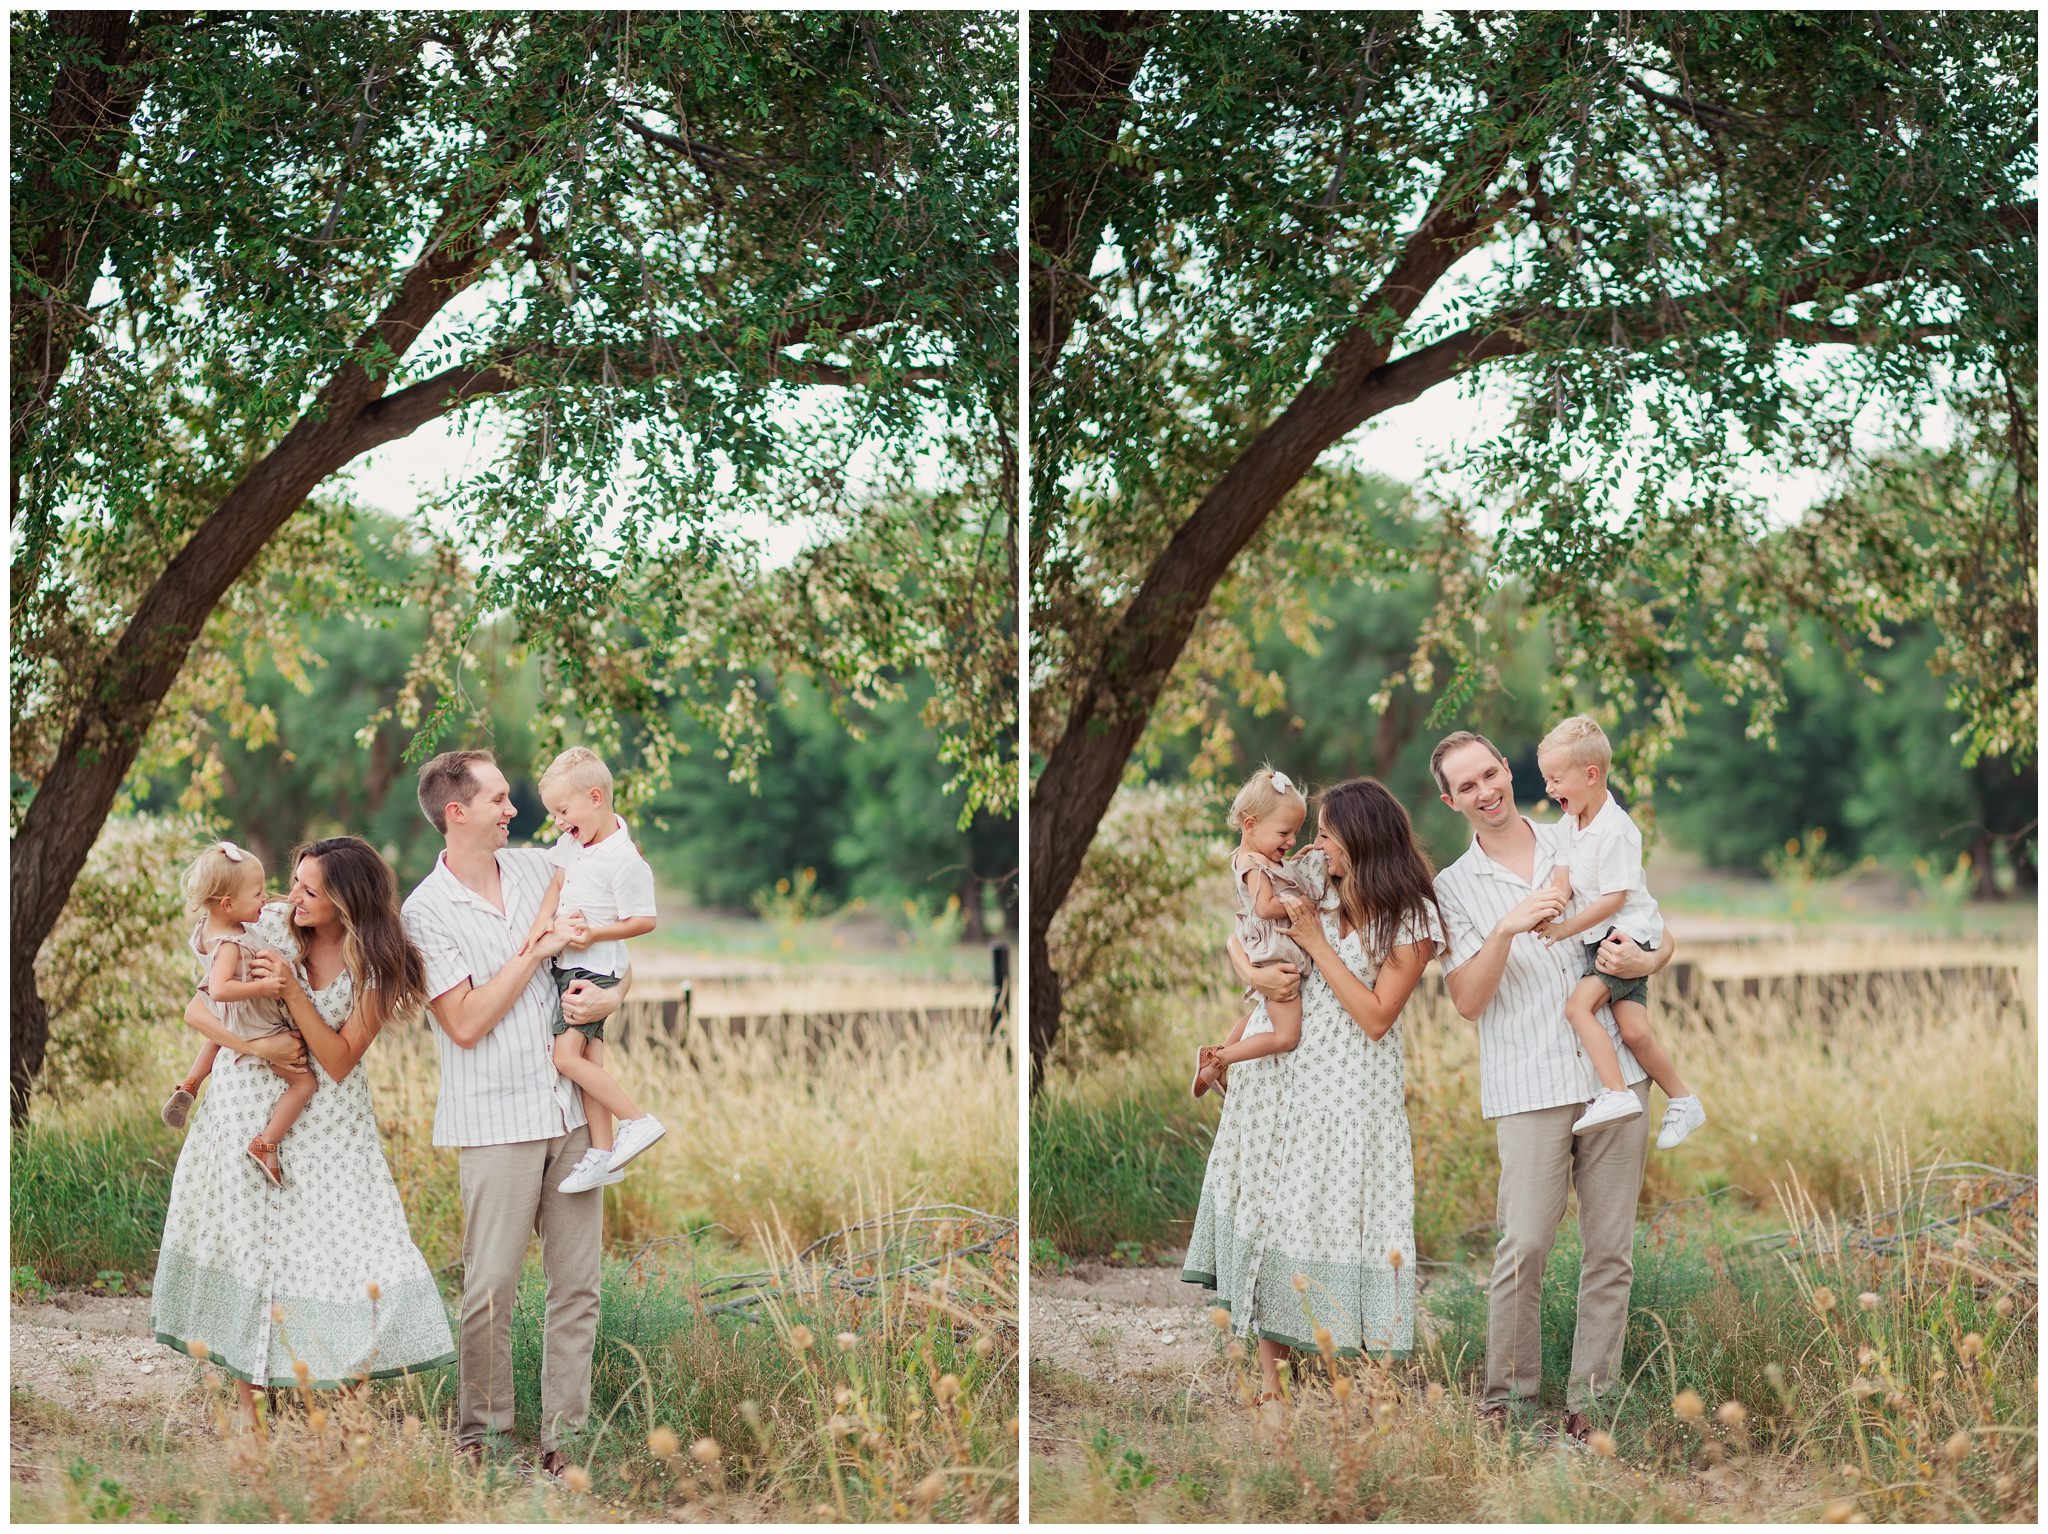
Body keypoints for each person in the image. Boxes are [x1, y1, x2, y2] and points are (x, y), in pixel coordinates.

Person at [152, 837, 455, 1433]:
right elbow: (204, 1006)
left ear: (345, 900)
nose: (292, 897)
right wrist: (255, 1045)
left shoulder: (377, 966)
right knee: (254, 1251)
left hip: (334, 1129)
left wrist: (292, 990)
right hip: (251, 1109)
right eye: (294, 881)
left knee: (355, 1253)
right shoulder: (269, 926)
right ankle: (251, 1416)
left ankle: (340, 1403)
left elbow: (339, 1061)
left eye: (309, 890)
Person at [1427, 729, 1674, 1444]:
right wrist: (1505, 929)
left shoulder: (1582, 830)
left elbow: (1648, 923)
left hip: (1615, 1079)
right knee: (1525, 1243)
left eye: (1490, 773)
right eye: (1466, 786)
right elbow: (1468, 1001)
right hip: (1528, 1080)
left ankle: (1590, 1407)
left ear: (1507, 769)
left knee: (1609, 1251)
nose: (1485, 790)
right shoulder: (1454, 888)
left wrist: (1656, 956)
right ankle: (1508, 1400)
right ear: (1451, 801)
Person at [399, 749, 630, 1477]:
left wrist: (610, 998)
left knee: (577, 1286)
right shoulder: (423, 912)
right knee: (490, 1289)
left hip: (569, 1112)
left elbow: (611, 948)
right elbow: (464, 1022)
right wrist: (534, 953)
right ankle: (485, 1441)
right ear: (456, 812)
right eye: (499, 800)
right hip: (492, 1121)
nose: (514, 811)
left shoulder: (543, 870)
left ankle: (567, 1441)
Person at [1182, 777, 1443, 1403]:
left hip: (1354, 1093)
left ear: (1361, 839)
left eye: (1326, 834)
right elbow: (1243, 931)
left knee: (1355, 1222)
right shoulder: (1315, 885)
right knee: (1280, 1214)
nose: (1314, 846)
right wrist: (1248, 974)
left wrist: (1318, 944)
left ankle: (1360, 1384)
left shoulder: (1414, 918)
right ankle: (1272, 1388)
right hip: (1286, 1074)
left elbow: (1378, 1018)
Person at [1535, 715, 1705, 1146]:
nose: (1550, 789)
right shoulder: (1567, 828)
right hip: (1605, 942)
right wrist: (1549, 909)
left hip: (1624, 938)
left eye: (1556, 780)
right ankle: (1684, 1099)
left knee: (1577, 1008)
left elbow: (1613, 900)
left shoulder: (1617, 831)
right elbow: (1562, 881)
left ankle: (1615, 1093)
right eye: (1546, 780)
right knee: (1634, 1032)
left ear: (1591, 775)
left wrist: (1563, 929)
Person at [518, 748, 666, 1194]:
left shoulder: (624, 860)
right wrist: (543, 921)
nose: (560, 822)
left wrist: (592, 936)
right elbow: (557, 884)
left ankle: (638, 1121)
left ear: (595, 797)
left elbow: (644, 920)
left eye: (563, 811)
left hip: (593, 970)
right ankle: (602, 1155)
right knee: (589, 1062)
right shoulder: (574, 844)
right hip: (571, 965)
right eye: (554, 814)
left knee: (565, 1058)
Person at [161, 844, 308, 1187]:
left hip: (230, 1017)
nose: (263, 899)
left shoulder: (207, 927)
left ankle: (190, 1084)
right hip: (254, 1020)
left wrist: (276, 903)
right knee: (304, 1083)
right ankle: (266, 1143)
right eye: (257, 894)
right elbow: (220, 989)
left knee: (216, 1037)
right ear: (228, 904)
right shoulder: (230, 943)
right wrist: (266, 987)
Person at [1192, 766, 1332, 1098]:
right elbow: (1265, 907)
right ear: (1251, 825)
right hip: (1275, 956)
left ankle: (1214, 1060)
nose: (1291, 840)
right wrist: (1300, 903)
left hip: (1273, 953)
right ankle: (1219, 1059)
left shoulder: (1261, 857)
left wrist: (1294, 862)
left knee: (1260, 1017)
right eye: (1284, 833)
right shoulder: (1251, 865)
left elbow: (1278, 876)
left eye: (1296, 833)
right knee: (1286, 1036)